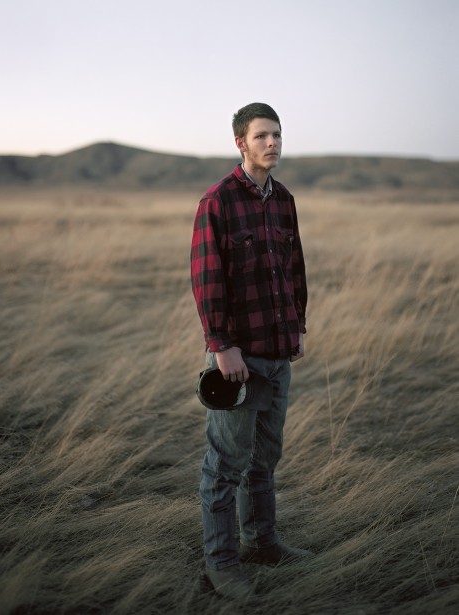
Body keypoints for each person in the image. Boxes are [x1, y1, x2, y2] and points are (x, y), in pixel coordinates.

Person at [191, 102, 313, 599]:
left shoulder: (283, 199)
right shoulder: (217, 201)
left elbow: (294, 268)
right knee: (225, 464)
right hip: (238, 360)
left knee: (265, 459)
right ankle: (221, 564)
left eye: (277, 134)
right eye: (262, 135)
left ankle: (263, 543)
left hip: (278, 353)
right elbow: (207, 280)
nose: (272, 143)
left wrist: (297, 327)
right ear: (240, 142)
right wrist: (222, 347)